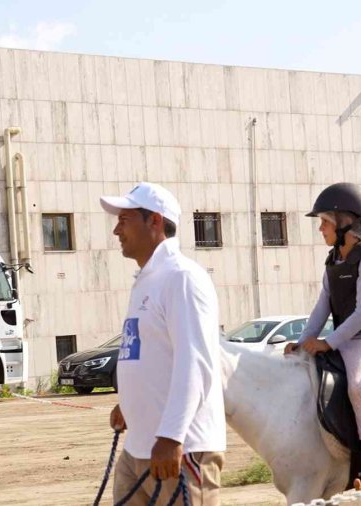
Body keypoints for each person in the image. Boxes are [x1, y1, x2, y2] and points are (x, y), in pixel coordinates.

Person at [100, 182, 226, 505]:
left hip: (180, 452)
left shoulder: (182, 278)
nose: (116, 230)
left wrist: (171, 435)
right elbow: (149, 354)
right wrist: (130, 404)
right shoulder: (146, 280)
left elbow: (194, 363)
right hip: (139, 449)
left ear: (154, 221)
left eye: (124, 220)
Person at [284, 182, 361, 491]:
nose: (320, 228)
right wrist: (304, 340)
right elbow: (321, 308)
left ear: (346, 222)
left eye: (324, 221)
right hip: (348, 338)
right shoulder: (333, 261)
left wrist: (327, 342)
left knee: (359, 387)